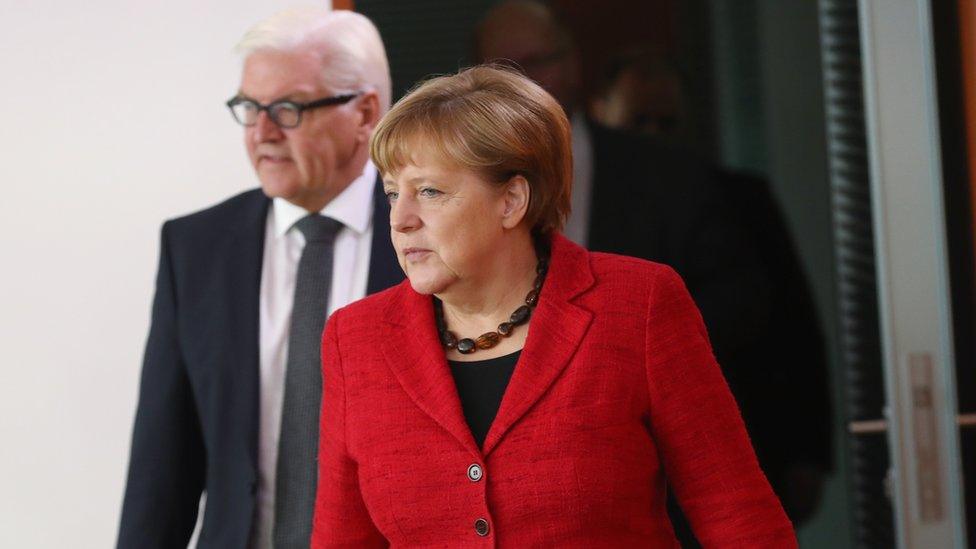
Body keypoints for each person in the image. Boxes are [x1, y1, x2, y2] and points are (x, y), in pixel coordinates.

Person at [310, 65, 795, 547]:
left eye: (429, 191)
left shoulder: (638, 304)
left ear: (512, 200)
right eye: (393, 193)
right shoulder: (354, 339)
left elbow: (735, 513)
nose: (400, 220)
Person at [474, 0, 833, 531]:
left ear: (573, 65)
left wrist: (627, 356)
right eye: (503, 70)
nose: (523, 82)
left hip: (666, 479)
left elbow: (753, 307)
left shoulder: (670, 176)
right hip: (517, 502)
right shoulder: (455, 198)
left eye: (538, 61)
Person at [117, 8, 403, 549]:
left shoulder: (428, 240)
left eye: (287, 109)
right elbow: (162, 469)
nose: (261, 133)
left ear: (365, 112)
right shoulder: (196, 248)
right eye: (249, 108)